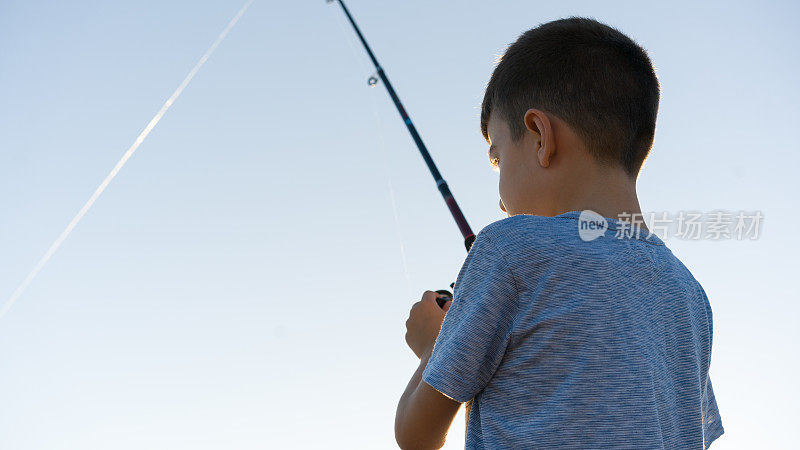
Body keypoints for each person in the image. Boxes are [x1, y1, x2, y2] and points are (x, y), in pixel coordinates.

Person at [394, 17, 724, 449]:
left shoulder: (509, 249)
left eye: (498, 158)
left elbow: (416, 436)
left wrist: (433, 347)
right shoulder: (689, 294)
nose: (499, 198)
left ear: (539, 136)